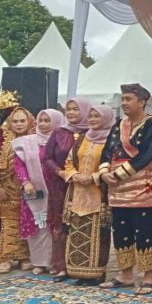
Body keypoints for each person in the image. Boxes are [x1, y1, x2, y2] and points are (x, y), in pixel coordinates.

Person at [98, 83, 152, 295]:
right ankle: (125, 274)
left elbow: (146, 155)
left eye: (128, 99)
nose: (123, 103)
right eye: (123, 99)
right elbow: (108, 150)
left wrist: (118, 174)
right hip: (117, 190)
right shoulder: (119, 124)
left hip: (142, 186)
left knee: (144, 232)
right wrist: (105, 172)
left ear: (142, 102)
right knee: (121, 230)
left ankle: (148, 277)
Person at [62, 105, 114, 285]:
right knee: (76, 230)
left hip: (99, 192)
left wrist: (93, 177)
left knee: (99, 233)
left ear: (106, 118)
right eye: (90, 116)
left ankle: (96, 273)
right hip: (77, 191)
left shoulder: (111, 140)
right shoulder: (82, 138)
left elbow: (112, 165)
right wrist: (75, 175)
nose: (92, 120)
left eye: (97, 117)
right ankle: (80, 273)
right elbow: (69, 161)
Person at [44, 97, 92, 282]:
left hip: (85, 185)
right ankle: (61, 266)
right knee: (61, 224)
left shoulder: (92, 133)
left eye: (75, 109)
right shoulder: (58, 133)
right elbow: (47, 158)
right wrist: (60, 172)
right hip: (61, 184)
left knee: (82, 224)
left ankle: (82, 266)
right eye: (68, 109)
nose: (71, 113)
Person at [13, 108, 65, 274]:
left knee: (54, 225)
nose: (42, 124)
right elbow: (19, 164)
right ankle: (39, 262)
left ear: (56, 121)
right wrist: (26, 182)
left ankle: (54, 262)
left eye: (46, 120)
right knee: (37, 225)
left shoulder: (63, 140)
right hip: (34, 191)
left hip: (56, 189)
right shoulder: (27, 141)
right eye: (40, 120)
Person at [0, 93, 31, 273]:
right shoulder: (0, 140)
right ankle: (5, 259)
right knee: (5, 226)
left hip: (29, 191)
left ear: (29, 121)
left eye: (22, 121)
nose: (19, 124)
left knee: (28, 224)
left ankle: (25, 257)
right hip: (5, 192)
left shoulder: (37, 139)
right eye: (15, 121)